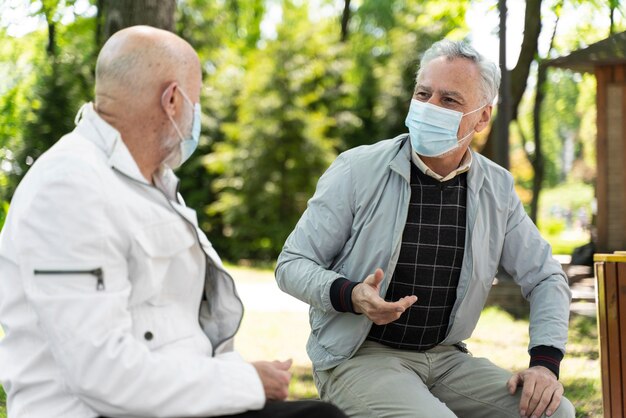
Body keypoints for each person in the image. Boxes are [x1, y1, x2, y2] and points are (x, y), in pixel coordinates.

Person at [0, 25, 346, 418]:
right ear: (172, 100)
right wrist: (246, 383)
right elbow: (102, 372)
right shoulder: (68, 187)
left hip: (161, 403)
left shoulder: (150, 183)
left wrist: (237, 377)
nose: (196, 116)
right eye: (196, 102)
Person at [276, 39, 575, 418]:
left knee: (554, 412)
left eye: (449, 100)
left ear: (482, 118)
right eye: (423, 94)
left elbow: (546, 277)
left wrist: (545, 365)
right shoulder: (357, 169)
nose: (430, 107)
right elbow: (291, 263)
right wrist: (350, 294)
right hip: (360, 355)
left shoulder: (496, 188)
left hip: (446, 359)